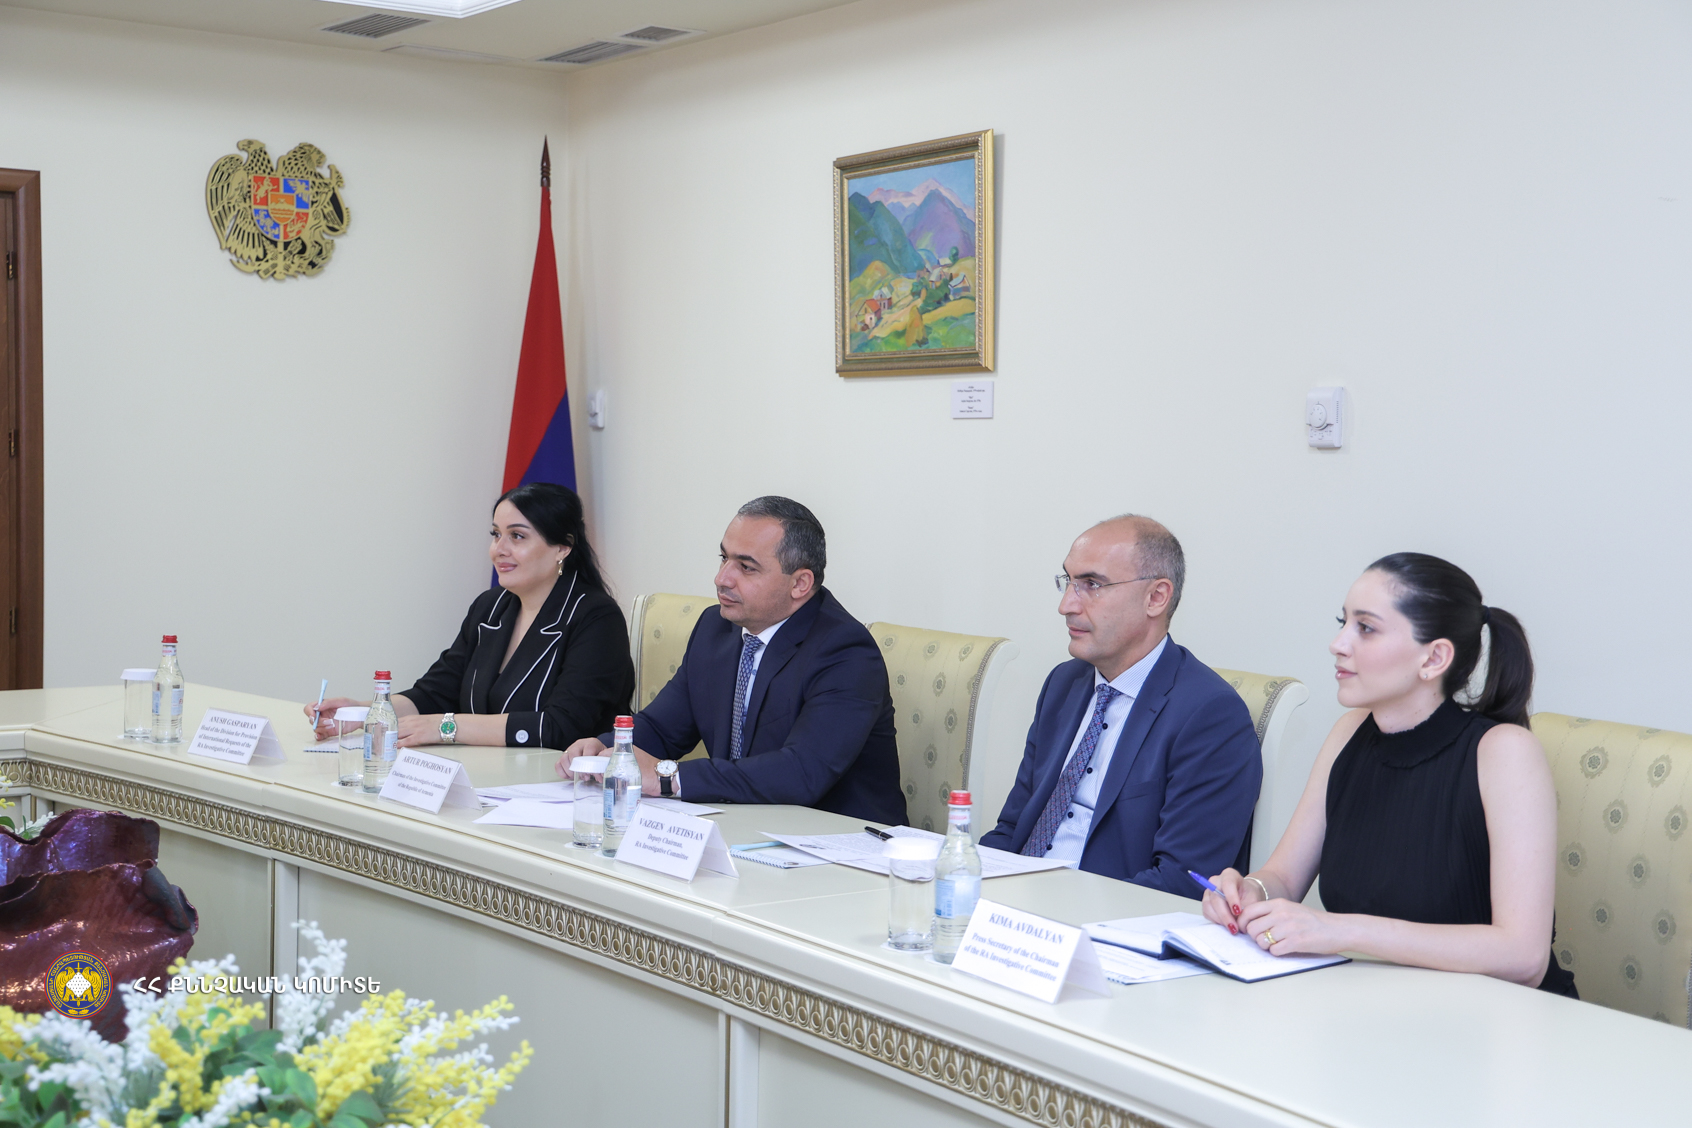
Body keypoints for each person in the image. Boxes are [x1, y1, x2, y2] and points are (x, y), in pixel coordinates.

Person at [1199, 553, 1577, 996]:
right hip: (1375, 1005)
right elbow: (1284, 878)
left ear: (1434, 658)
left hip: (1500, 1019)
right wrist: (1250, 891)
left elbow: (1523, 956)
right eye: (1343, 622)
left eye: (1365, 628)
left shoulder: (1504, 751)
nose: (1338, 643)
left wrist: (1341, 930)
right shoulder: (1349, 732)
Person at [555, 496, 904, 824]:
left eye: (746, 567)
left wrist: (668, 778)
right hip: (744, 827)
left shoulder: (845, 651)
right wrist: (608, 748)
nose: (721, 579)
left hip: (841, 844)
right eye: (724, 558)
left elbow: (801, 773)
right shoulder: (716, 628)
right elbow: (662, 728)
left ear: (800, 583)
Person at [980, 515, 1261, 896]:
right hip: (1016, 906)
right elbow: (1014, 829)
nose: (1066, 605)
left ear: (1156, 598)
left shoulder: (1211, 715)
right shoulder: (1064, 684)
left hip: (1103, 916)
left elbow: (1182, 880)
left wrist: (1055, 909)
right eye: (1068, 581)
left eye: (1092, 585)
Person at [307, 482, 633, 749]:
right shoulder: (490, 607)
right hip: (489, 775)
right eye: (496, 534)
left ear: (562, 548)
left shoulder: (596, 617)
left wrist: (446, 727)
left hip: (563, 786)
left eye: (517, 536)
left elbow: (560, 727)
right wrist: (363, 713)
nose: (499, 549)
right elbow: (434, 694)